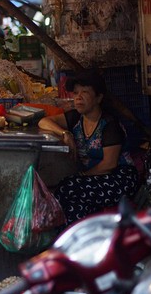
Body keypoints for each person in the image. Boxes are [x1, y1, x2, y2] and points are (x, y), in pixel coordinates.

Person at [38, 69, 138, 225]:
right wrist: (65, 133)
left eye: (84, 92)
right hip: (94, 178)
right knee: (68, 194)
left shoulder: (109, 124)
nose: (78, 97)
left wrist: (83, 175)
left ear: (98, 97)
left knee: (68, 188)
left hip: (119, 179)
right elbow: (43, 122)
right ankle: (77, 236)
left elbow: (109, 164)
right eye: (76, 92)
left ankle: (75, 235)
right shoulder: (76, 118)